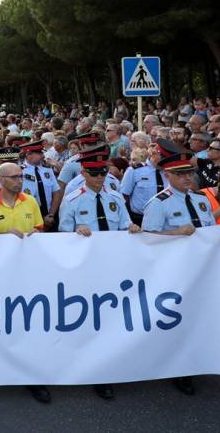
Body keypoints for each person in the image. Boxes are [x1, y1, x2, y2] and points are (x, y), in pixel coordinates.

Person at [141, 139, 220, 395]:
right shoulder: (158, 203)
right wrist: (175, 232)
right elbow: (146, 240)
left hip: (202, 271)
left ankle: (198, 360)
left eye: (189, 173)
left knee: (199, 317)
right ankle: (179, 369)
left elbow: (206, 228)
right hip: (173, 273)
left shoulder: (201, 200)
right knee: (177, 320)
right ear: (168, 175)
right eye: (180, 174)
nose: (187, 178)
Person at [58, 145, 140, 400]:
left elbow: (126, 224)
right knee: (91, 319)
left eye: (103, 173)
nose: (100, 178)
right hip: (86, 269)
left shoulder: (115, 198)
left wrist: (133, 228)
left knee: (112, 318)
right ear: (83, 173)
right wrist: (76, 233)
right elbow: (62, 236)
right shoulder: (72, 200)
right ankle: (94, 370)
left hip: (114, 267)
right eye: (94, 173)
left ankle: (111, 366)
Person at [0, 160, 47, 402]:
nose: (19, 180)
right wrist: (4, 238)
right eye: (14, 177)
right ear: (2, 180)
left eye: (20, 176)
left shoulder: (31, 201)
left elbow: (40, 229)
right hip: (0, 277)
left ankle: (33, 378)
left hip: (29, 274)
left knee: (29, 325)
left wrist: (37, 234)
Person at [20, 140, 60, 228]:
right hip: (30, 219)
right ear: (29, 155)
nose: (43, 155)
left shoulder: (47, 170)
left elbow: (56, 192)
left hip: (50, 218)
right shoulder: (19, 172)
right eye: (39, 153)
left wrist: (51, 214)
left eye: (42, 152)